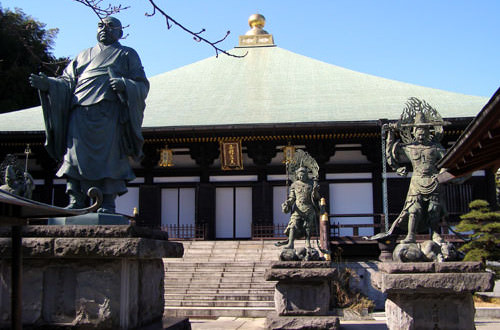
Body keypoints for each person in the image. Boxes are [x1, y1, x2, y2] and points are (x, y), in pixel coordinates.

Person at [29, 16, 149, 213]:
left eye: (111, 26)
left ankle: (108, 203)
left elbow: (142, 84)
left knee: (110, 157)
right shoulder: (83, 55)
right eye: (101, 25)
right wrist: (49, 85)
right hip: (80, 111)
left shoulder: (127, 54)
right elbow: (67, 82)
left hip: (108, 112)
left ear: (120, 32)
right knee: (74, 155)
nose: (105, 29)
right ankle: (75, 199)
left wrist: (125, 85)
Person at [385, 112, 447, 243]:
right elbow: (391, 154)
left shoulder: (436, 147)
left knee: (433, 209)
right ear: (413, 132)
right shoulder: (409, 148)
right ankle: (410, 235)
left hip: (433, 180)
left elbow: (447, 161)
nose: (421, 135)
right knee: (414, 209)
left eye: (423, 132)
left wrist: (441, 173)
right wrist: (391, 133)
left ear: (428, 132)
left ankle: (436, 234)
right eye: (418, 132)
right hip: (417, 181)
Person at [277, 167, 320, 249]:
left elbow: (316, 197)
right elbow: (292, 198)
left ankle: (307, 242)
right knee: (293, 224)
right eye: (300, 175)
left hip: (308, 207)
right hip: (298, 208)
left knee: (308, 226)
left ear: (306, 175)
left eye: (303, 175)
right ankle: (290, 243)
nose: (301, 177)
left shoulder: (311, 183)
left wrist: (315, 191)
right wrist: (288, 203)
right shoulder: (294, 185)